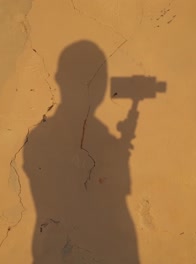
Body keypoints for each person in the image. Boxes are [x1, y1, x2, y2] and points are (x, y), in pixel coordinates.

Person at [23, 40, 140, 263]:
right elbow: (64, 202)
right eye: (84, 78)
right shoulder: (43, 139)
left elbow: (117, 202)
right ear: (60, 80)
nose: (94, 89)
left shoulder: (104, 138)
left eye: (99, 80)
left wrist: (115, 160)